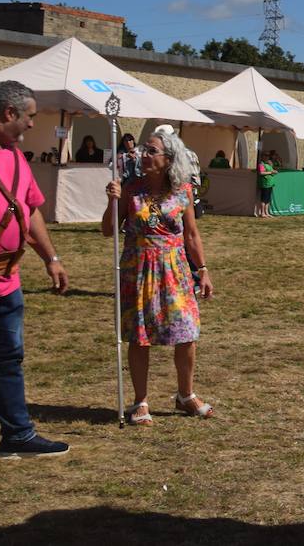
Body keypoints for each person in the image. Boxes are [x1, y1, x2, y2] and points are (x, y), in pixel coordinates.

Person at [102, 129, 215, 426]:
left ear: (168, 159)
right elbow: (108, 229)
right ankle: (140, 401)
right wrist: (113, 201)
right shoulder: (131, 188)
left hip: (175, 268)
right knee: (140, 336)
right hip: (138, 268)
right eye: (144, 149)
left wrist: (202, 269)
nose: (144, 154)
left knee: (187, 330)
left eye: (152, 150)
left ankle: (185, 395)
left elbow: (191, 234)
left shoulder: (184, 191)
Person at [0, 81, 70, 458]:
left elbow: (30, 209)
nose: (30, 126)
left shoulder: (17, 157)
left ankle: (17, 435)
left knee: (8, 359)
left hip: (7, 282)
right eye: (29, 118)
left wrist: (51, 258)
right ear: (9, 114)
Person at [256, 149, 277, 218]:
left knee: (268, 199)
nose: (267, 157)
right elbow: (261, 173)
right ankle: (262, 213)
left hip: (270, 184)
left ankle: (266, 212)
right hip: (265, 184)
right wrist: (271, 172)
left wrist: (273, 171)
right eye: (266, 155)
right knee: (264, 199)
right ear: (262, 156)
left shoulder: (268, 164)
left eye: (268, 156)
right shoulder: (261, 164)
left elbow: (271, 170)